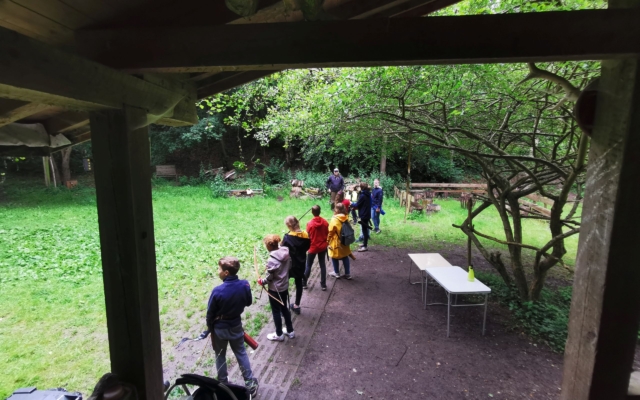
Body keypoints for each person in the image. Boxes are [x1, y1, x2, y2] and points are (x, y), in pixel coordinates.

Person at [206, 256, 259, 395]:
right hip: (236, 326)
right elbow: (248, 302)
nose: (218, 271)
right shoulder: (245, 285)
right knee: (241, 353)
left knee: (220, 355)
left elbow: (210, 313)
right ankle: (250, 383)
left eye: (219, 269)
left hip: (220, 329)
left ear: (226, 273)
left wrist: (210, 327)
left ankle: (223, 385)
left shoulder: (217, 291)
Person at [259, 234, 295, 342]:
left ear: (269, 246)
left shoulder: (272, 260)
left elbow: (269, 278)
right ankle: (290, 331)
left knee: (276, 312)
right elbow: (289, 266)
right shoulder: (286, 252)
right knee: (284, 308)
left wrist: (262, 282)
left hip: (275, 290)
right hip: (284, 286)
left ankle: (279, 334)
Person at [281, 216, 310, 314]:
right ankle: (297, 305)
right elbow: (307, 247)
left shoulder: (287, 237)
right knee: (299, 284)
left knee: (284, 284)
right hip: (301, 264)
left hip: (289, 265)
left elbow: (282, 249)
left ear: (289, 226)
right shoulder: (306, 235)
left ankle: (284, 307)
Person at [305, 205, 329, 291]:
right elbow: (327, 233)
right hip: (322, 247)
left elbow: (308, 235)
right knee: (322, 265)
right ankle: (323, 285)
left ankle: (304, 283)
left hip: (313, 247)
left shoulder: (309, 224)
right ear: (320, 211)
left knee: (308, 265)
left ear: (312, 212)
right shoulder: (325, 222)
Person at [327, 203, 354, 280]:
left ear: (337, 209)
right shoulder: (346, 217)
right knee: (345, 256)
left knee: (334, 256)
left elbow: (330, 232)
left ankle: (336, 273)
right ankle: (347, 274)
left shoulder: (334, 219)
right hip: (345, 240)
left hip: (336, 241)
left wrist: (327, 241)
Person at [351, 182, 372, 252]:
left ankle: (365, 246)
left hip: (364, 215)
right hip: (366, 213)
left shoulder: (363, 195)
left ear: (361, 188)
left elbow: (357, 204)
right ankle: (364, 243)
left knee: (364, 230)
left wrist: (351, 203)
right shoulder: (368, 193)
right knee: (364, 229)